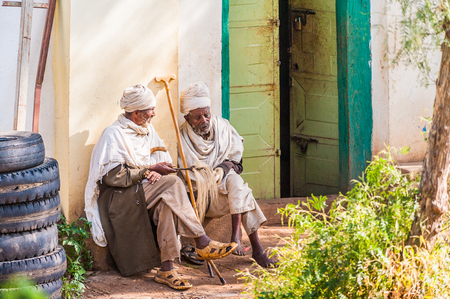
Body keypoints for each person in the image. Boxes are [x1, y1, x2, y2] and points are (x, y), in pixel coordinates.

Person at [84, 84, 237, 290]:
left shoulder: (148, 131)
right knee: (173, 183)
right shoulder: (113, 134)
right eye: (150, 110)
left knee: (167, 203)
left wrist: (158, 169)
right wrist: (148, 170)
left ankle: (167, 269)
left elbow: (161, 158)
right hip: (121, 197)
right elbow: (114, 177)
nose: (154, 114)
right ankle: (201, 240)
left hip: (148, 189)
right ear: (136, 113)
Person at [177, 82, 276, 268]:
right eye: (197, 117)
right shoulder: (181, 137)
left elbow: (237, 164)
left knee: (236, 181)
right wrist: (207, 176)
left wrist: (222, 168)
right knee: (244, 192)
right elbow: (186, 177)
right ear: (187, 118)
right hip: (201, 200)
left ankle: (237, 234)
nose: (204, 120)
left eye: (206, 114)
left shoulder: (223, 127)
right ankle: (257, 250)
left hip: (225, 195)